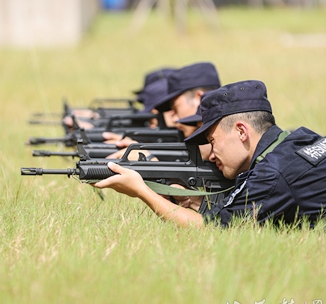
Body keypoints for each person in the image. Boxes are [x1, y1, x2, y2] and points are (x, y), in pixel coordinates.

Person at [94, 80, 326, 228]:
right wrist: (198, 201)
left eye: (213, 141)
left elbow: (206, 230)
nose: (212, 154)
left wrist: (141, 190)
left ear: (241, 131)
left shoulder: (273, 174)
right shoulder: (299, 139)